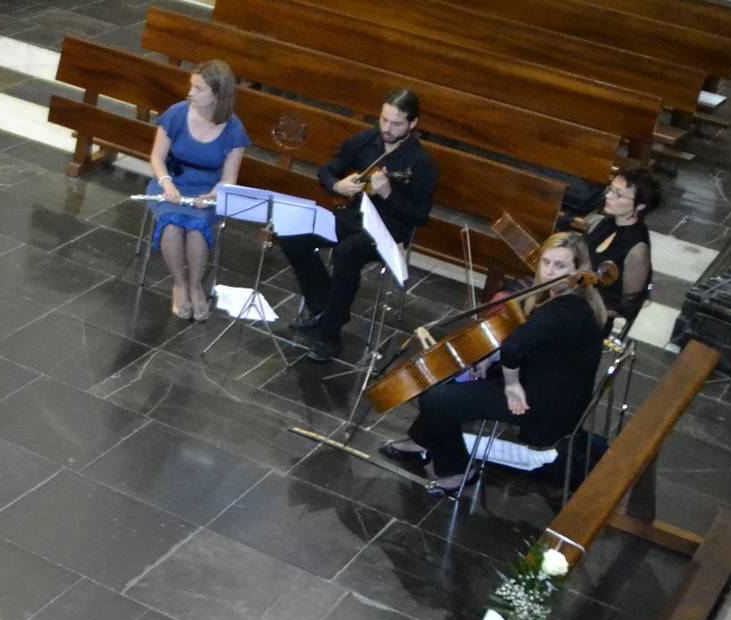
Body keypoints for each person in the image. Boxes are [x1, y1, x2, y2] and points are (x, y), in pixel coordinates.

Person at [379, 232, 607, 497]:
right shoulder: (576, 300)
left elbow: (513, 348)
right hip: (550, 385)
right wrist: (490, 359)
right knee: (454, 382)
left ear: (579, 269)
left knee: (435, 399)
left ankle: (457, 471)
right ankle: (420, 441)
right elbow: (537, 345)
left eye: (560, 266)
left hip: (542, 404)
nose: (549, 272)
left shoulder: (563, 310)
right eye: (545, 262)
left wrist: (511, 386)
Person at [279, 89, 439, 362]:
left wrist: (389, 194)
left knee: (346, 253)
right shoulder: (366, 141)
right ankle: (325, 308)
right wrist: (337, 184)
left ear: (413, 124)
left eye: (396, 123)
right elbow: (327, 170)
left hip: (389, 230)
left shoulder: (421, 163)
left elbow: (420, 216)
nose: (387, 128)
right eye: (384, 120)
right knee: (292, 235)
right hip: (353, 217)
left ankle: (330, 336)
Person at [147, 60, 250, 322]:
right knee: (172, 224)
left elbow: (228, 179)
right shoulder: (176, 113)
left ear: (218, 94)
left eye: (199, 88)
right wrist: (167, 184)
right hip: (172, 181)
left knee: (196, 227)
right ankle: (180, 284)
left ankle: (196, 285)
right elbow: (157, 158)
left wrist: (213, 196)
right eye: (191, 85)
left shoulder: (234, 128)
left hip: (208, 189)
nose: (190, 92)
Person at [582, 168, 661, 328]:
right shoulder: (602, 223)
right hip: (579, 295)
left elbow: (628, 306)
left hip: (595, 318)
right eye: (610, 189)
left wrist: (584, 308)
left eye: (618, 194)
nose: (608, 196)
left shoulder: (638, 249)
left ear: (640, 206)